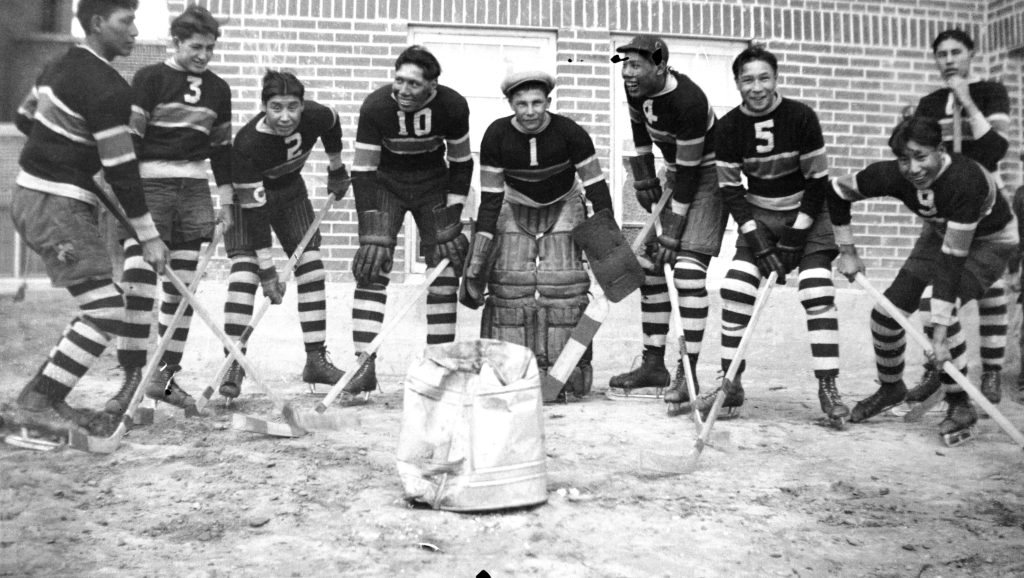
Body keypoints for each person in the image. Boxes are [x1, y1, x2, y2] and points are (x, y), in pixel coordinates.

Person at [5, 0, 168, 435]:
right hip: (54, 203)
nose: (134, 31)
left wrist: (72, 154)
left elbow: (26, 120)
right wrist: (149, 236)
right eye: (125, 21)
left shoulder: (54, 66)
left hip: (32, 193)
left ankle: (40, 399)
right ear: (97, 23)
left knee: (103, 306)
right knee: (108, 309)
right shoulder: (109, 88)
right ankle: (39, 402)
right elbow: (121, 170)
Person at [682, 46, 846, 425]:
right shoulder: (728, 127)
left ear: (775, 78)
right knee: (736, 288)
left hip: (807, 211)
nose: (757, 87)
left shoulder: (801, 116)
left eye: (764, 78)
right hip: (759, 214)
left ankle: (828, 386)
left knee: (817, 288)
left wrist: (796, 236)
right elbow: (730, 189)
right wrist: (757, 239)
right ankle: (730, 384)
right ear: (737, 83)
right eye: (748, 79)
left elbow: (818, 182)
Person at [830, 116, 1018, 441]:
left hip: (991, 241)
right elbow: (835, 192)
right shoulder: (891, 174)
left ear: (940, 150)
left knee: (936, 308)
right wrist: (847, 250)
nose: (913, 168)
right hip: (941, 232)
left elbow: (951, 262)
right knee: (886, 316)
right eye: (905, 159)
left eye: (921, 156)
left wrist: (940, 338)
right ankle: (890, 389)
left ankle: (960, 404)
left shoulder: (964, 180)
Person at [101, 4, 233, 416]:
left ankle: (164, 377)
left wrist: (226, 200)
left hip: (194, 190)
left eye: (210, 48)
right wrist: (130, 199)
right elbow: (130, 144)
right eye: (196, 47)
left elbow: (221, 150)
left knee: (183, 291)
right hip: (150, 186)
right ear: (176, 42)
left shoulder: (218, 89)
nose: (204, 56)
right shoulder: (150, 78)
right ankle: (130, 383)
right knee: (139, 286)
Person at [461, 70, 615, 400]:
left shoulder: (570, 133)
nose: (530, 111)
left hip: (564, 200)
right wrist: (478, 255)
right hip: (512, 202)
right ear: (510, 104)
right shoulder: (496, 136)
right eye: (521, 104)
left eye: (536, 103)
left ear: (548, 102)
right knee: (509, 286)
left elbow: (596, 188)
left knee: (564, 286)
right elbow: (490, 199)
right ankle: (509, 372)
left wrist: (609, 249)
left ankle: (567, 373)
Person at [347, 45, 472, 400]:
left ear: (432, 85)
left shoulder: (452, 105)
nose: (403, 90)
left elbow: (462, 164)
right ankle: (363, 365)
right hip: (387, 183)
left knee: (444, 267)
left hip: (434, 183)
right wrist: (369, 227)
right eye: (398, 80)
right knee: (372, 264)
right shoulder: (375, 107)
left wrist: (452, 215)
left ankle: (439, 366)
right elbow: (363, 170)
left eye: (413, 84)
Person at [217, 70, 351, 400]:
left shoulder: (316, 116)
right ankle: (233, 361)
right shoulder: (248, 145)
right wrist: (268, 272)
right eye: (276, 107)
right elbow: (257, 214)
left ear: (303, 105)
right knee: (246, 273)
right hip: (248, 203)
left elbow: (333, 123)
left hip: (290, 192)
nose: (286, 116)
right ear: (263, 106)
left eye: (293, 106)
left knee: (312, 267)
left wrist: (336, 167)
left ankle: (316, 360)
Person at [607, 34, 727, 402]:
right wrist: (643, 172)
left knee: (688, 271)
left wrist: (673, 230)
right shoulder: (635, 85)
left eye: (636, 65)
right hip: (676, 171)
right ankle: (653, 365)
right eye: (624, 64)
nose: (627, 73)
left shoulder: (689, 101)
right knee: (649, 265)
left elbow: (692, 175)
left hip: (708, 176)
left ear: (660, 66)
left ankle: (686, 374)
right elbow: (639, 130)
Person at [909, 29, 1013, 406]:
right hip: (946, 201)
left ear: (971, 54)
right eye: (941, 54)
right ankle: (939, 371)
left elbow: (994, 149)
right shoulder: (930, 102)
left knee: (991, 288)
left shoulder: (990, 93)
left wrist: (967, 102)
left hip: (986, 198)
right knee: (938, 283)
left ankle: (992, 372)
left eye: (956, 52)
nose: (949, 60)